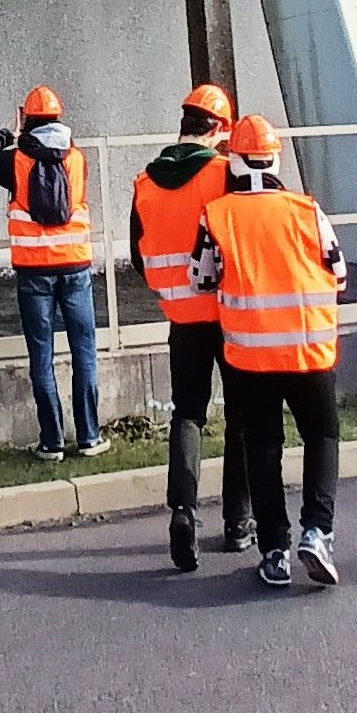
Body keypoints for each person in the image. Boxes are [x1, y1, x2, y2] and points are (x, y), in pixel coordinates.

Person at [191, 114, 347, 589]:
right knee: (322, 435)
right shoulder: (306, 210)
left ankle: (275, 549)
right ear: (276, 159)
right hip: (309, 352)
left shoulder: (217, 215)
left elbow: (201, 278)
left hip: (250, 357)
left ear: (233, 161)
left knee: (262, 448)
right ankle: (317, 532)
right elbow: (339, 273)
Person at [130, 83, 253, 571]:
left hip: (180, 318)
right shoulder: (223, 173)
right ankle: (239, 524)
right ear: (220, 129)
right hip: (227, 313)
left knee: (188, 414)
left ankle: (183, 512)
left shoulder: (145, 182)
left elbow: (140, 257)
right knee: (241, 416)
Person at [0, 86, 110, 461]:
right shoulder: (77, 158)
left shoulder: (15, 161)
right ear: (59, 117)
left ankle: (52, 442)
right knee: (84, 353)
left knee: (41, 355)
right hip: (75, 266)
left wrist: (8, 135)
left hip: (34, 273)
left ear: (26, 119)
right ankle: (90, 437)